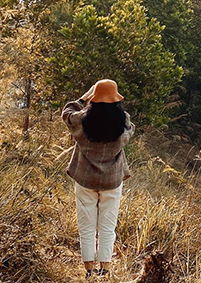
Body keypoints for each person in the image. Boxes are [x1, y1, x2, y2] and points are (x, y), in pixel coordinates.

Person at [61, 79, 135, 279]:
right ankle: (105, 270)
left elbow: (66, 114)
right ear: (116, 100)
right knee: (107, 226)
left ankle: (88, 271)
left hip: (85, 179)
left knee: (86, 226)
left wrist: (82, 99)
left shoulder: (82, 120)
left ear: (93, 98)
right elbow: (130, 130)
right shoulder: (123, 121)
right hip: (112, 181)